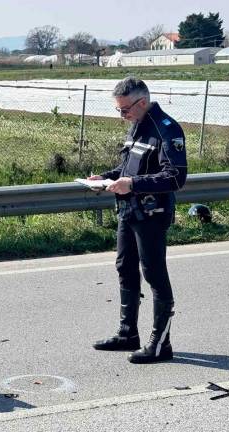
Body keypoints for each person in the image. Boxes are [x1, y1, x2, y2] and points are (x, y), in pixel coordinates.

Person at [88, 77, 187, 363]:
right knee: (124, 267)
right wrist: (107, 178)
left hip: (152, 214)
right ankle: (128, 333)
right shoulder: (137, 125)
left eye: (125, 110)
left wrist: (133, 183)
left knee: (154, 274)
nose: (122, 116)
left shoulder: (166, 129)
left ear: (142, 102)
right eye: (119, 110)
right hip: (129, 210)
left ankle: (160, 344)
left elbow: (176, 177)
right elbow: (127, 166)